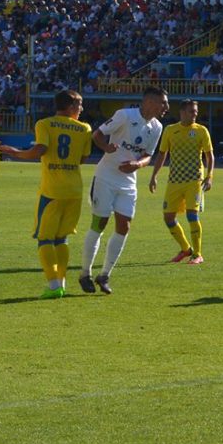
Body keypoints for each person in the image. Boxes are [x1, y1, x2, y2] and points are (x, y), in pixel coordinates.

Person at [0, 89, 95, 298]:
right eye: (79, 105)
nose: (81, 109)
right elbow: (82, 159)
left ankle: (53, 285)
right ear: (70, 107)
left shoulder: (44, 124)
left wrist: (14, 152)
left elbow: (39, 150)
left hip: (52, 190)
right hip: (75, 191)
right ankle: (61, 283)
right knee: (62, 239)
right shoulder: (85, 128)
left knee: (45, 239)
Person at [78, 87, 168, 294]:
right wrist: (106, 147)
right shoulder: (125, 115)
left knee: (124, 226)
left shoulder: (157, 126)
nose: (166, 107)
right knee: (99, 223)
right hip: (106, 177)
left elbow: (148, 155)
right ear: (149, 102)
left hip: (128, 181)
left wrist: (137, 164)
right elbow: (97, 134)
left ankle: (105, 275)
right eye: (163, 102)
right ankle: (85, 273)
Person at [149, 99, 214, 265]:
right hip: (175, 180)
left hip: (195, 179)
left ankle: (197, 254)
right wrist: (154, 175)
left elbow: (209, 155)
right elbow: (162, 154)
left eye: (196, 112)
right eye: (191, 111)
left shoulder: (201, 130)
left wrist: (209, 175)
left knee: (192, 215)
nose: (194, 115)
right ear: (182, 112)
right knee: (168, 217)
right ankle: (186, 249)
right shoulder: (170, 130)